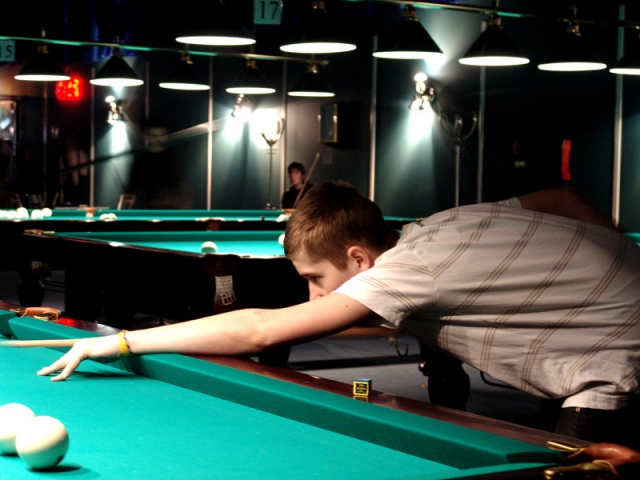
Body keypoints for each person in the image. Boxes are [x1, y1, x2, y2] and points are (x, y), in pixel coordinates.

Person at [37, 182, 640, 450]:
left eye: (315, 279)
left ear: (358, 256)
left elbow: (260, 328)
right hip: (616, 327)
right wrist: (620, 262)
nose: (311, 297)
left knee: (571, 468)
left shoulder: (403, 272)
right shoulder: (437, 224)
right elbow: (564, 196)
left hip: (616, 362)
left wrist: (120, 341)